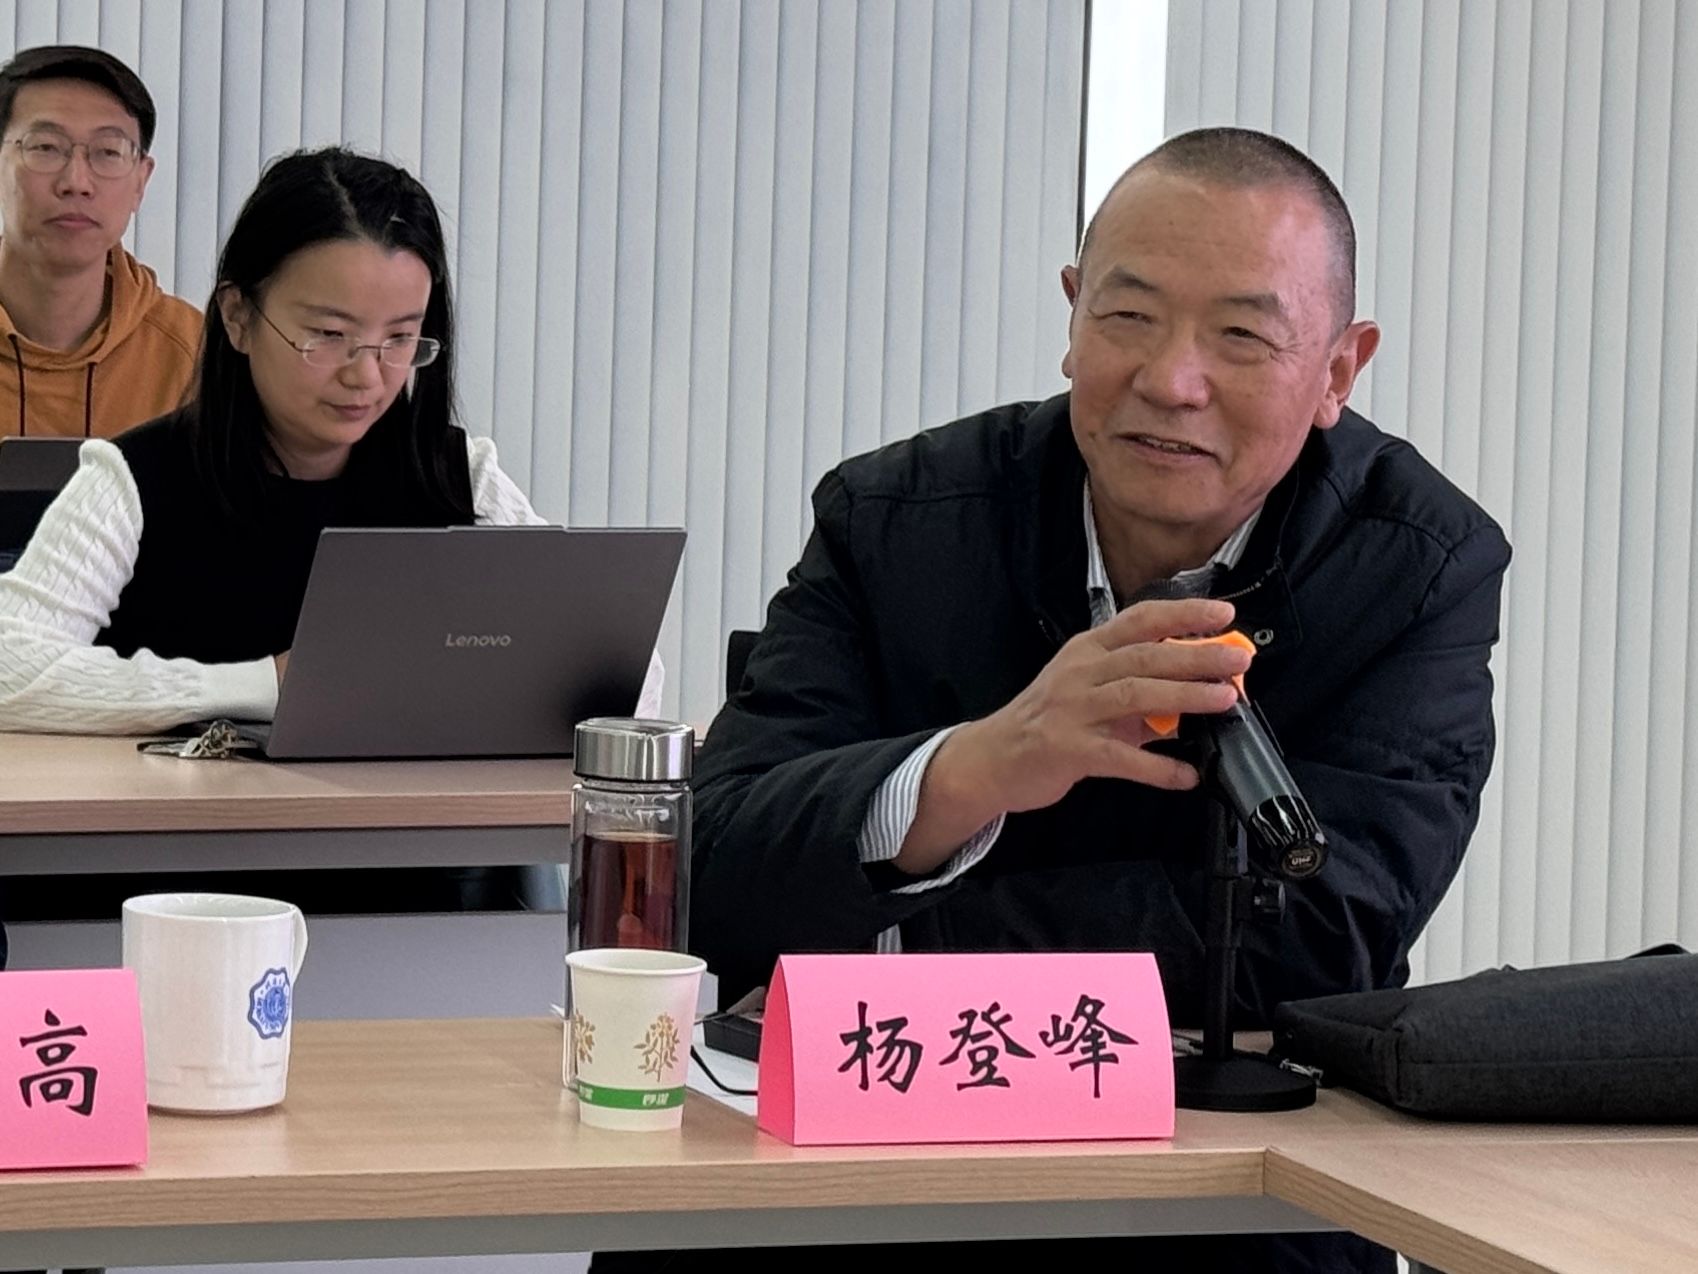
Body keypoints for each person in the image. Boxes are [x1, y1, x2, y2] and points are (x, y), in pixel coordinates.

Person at [667, 128, 1511, 1273]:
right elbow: (713, 871)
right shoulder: (897, 520)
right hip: (869, 1174)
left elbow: (1319, 933)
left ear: (1337, 372)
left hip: (1217, 1197)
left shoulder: (1416, 563)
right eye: (1128, 315)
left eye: (1242, 335)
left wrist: (888, 948)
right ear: (1072, 317)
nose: (1170, 379)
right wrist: (971, 771)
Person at [0, 146, 660, 938]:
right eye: (328, 334)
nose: (366, 375)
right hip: (163, 901)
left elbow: (631, 677)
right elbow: (10, 668)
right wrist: (267, 687)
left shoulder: (457, 475)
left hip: (415, 896)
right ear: (238, 317)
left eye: (400, 339)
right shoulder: (136, 477)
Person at [0, 45, 200, 438]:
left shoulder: (193, 354)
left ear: (140, 181)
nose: (76, 182)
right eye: (45, 147)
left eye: (108, 152)